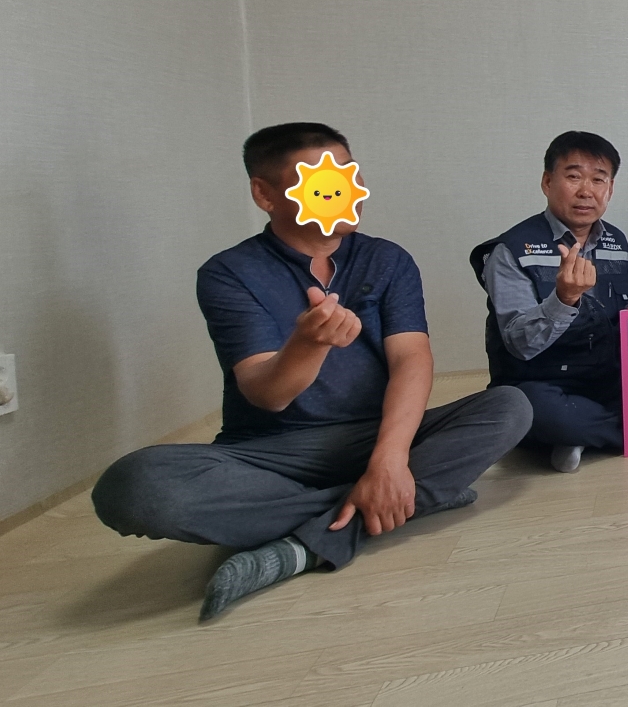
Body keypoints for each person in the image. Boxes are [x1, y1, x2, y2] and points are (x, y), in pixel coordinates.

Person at [92, 123, 532, 621]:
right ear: (265, 194)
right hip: (272, 454)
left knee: (510, 406)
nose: (344, 190)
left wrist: (389, 460)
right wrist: (308, 344)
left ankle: (306, 545)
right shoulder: (229, 273)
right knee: (132, 488)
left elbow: (412, 358)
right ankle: (412, 498)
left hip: (376, 436)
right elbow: (266, 394)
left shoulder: (387, 259)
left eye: (348, 175)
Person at [474, 131, 628, 473]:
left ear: (610, 189)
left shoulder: (617, 242)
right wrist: (564, 299)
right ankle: (618, 430)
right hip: (542, 383)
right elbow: (520, 343)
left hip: (608, 376)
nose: (586, 191)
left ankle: (581, 435)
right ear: (547, 181)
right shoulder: (511, 250)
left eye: (598, 179)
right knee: (525, 409)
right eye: (573, 177)